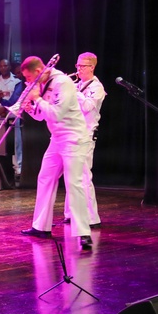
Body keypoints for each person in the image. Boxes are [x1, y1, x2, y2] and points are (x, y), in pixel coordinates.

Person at [18, 56, 94, 249]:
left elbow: (57, 114)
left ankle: (83, 232)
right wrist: (29, 108)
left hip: (74, 139)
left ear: (37, 72)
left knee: (74, 183)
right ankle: (40, 226)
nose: (28, 82)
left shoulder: (63, 82)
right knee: (45, 178)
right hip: (57, 139)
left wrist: (36, 98)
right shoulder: (43, 84)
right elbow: (42, 116)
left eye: (28, 77)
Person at [62, 52, 106, 227]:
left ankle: (92, 218)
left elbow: (88, 107)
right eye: (77, 65)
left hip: (86, 137)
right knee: (71, 176)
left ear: (91, 67)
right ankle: (71, 214)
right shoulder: (77, 84)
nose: (78, 69)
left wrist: (73, 92)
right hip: (72, 135)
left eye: (82, 66)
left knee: (84, 176)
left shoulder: (97, 87)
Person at [0, 58, 22, 181]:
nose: (3, 68)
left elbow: (15, 100)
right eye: (1, 66)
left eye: (5, 66)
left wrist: (5, 109)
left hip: (12, 113)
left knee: (15, 141)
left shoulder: (16, 81)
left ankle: (18, 167)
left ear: (9, 67)